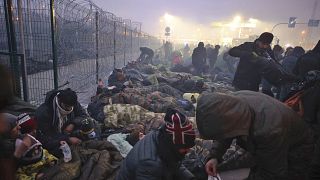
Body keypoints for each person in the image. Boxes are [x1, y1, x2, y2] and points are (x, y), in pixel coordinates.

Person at [196, 91, 314, 180]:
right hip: (270, 141)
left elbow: (273, 173)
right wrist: (214, 156)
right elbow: (225, 131)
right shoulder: (232, 102)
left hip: (297, 146)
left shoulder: (269, 130)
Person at [116, 108, 196, 180]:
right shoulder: (150, 163)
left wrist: (190, 178)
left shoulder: (160, 136)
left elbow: (173, 162)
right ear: (175, 145)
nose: (188, 150)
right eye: (185, 147)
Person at [35, 88, 88, 157]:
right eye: (66, 106)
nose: (69, 109)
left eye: (71, 107)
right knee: (62, 151)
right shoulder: (44, 112)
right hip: (53, 138)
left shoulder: (72, 103)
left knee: (89, 126)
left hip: (67, 131)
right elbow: (47, 134)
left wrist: (73, 124)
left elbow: (83, 115)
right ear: (59, 101)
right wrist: (67, 139)